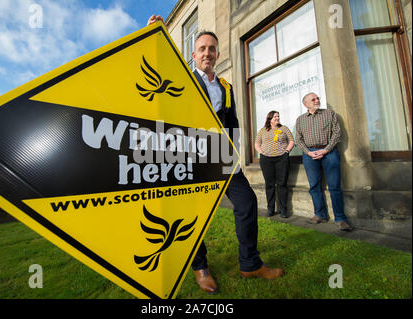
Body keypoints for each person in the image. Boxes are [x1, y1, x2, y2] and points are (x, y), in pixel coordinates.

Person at [147, 15, 284, 294]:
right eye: (202, 49)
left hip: (222, 156)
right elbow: (159, 70)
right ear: (193, 54)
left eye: (211, 48)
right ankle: (200, 267)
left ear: (218, 53)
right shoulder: (181, 78)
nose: (207, 53)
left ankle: (250, 264)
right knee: (190, 216)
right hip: (191, 157)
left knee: (246, 202)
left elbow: (231, 121)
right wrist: (154, 38)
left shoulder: (227, 87)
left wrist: (235, 151)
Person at [295, 92, 353, 231]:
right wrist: (308, 152)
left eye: (317, 98)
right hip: (309, 154)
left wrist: (326, 150)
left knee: (334, 186)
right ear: (305, 104)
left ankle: (340, 218)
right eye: (313, 99)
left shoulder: (329, 114)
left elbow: (337, 133)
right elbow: (298, 139)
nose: (317, 100)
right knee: (314, 186)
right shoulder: (300, 119)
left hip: (329, 153)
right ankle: (319, 214)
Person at [255, 111, 294, 218]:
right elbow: (257, 143)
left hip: (282, 159)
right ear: (270, 119)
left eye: (278, 116)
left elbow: (291, 141)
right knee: (269, 184)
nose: (277, 118)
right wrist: (261, 152)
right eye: (275, 116)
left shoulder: (284, 128)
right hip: (266, 160)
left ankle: (283, 210)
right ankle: (270, 209)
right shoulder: (263, 130)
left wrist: (286, 151)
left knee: (282, 184)